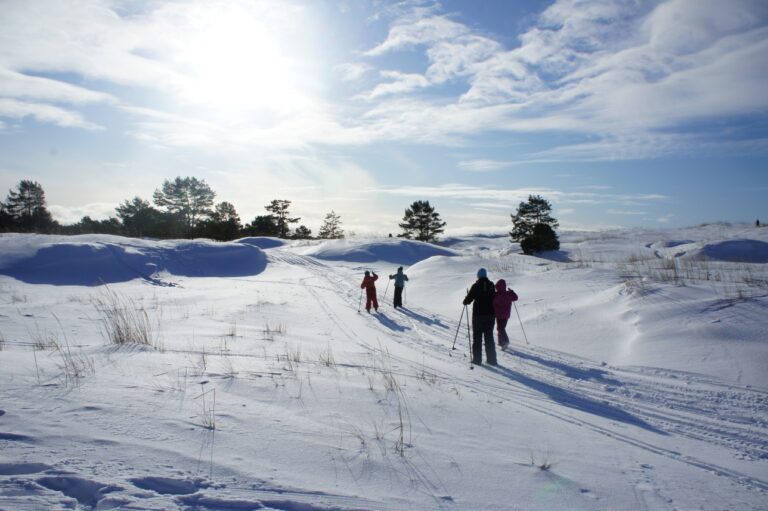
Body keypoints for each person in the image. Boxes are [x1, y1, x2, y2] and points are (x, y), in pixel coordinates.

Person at [463, 268, 497, 366]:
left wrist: (465, 301)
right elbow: (494, 297)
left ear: (478, 276)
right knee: (489, 337)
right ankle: (492, 360)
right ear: (486, 275)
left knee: (477, 338)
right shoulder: (491, 285)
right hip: (490, 315)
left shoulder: (476, 285)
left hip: (478, 316)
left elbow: (469, 299)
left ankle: (477, 360)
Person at [493, 279, 518, 348]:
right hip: (506, 315)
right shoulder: (508, 294)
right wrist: (512, 292)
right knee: (501, 328)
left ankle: (505, 341)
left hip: (498, 315)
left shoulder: (496, 294)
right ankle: (501, 343)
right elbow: (515, 298)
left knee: (500, 328)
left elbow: (491, 301)